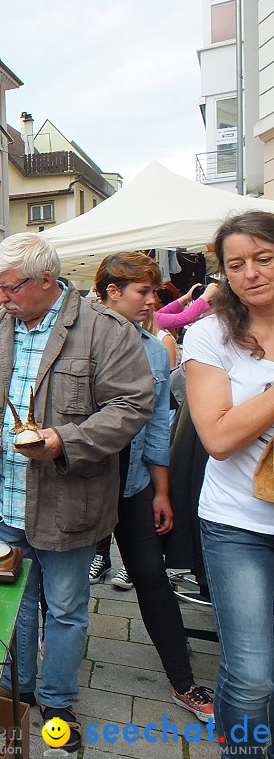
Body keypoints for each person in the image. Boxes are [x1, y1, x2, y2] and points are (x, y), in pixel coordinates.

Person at [0, 232, 153, 753]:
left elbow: (132, 406)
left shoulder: (104, 329)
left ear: (46, 280)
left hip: (69, 502)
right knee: (12, 605)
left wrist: (66, 440)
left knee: (64, 608)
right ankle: (12, 690)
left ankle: (57, 700)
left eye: (9, 288)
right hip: (6, 498)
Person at [85, 253, 213, 721]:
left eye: (153, 291)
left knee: (152, 578)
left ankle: (182, 682)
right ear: (111, 291)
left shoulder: (155, 350)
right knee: (66, 585)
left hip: (134, 482)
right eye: (142, 291)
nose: (151, 301)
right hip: (80, 483)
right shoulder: (77, 341)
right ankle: (51, 671)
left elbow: (159, 425)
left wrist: (161, 491)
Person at [185, 211, 274, 755]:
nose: (251, 273)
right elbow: (217, 437)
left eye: (264, 259)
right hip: (236, 522)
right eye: (236, 264)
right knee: (252, 670)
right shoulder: (210, 333)